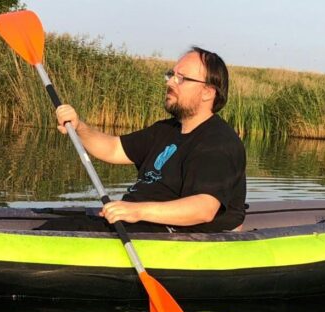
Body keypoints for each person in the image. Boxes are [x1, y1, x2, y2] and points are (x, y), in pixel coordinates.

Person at [39, 46, 246, 234]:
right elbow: (113, 149)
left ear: (208, 92)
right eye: (171, 75)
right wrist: (79, 127)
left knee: (59, 230)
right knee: (61, 223)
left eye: (181, 78)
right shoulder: (165, 130)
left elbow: (203, 209)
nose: (170, 82)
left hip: (169, 236)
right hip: (136, 225)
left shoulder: (219, 142)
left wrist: (136, 211)